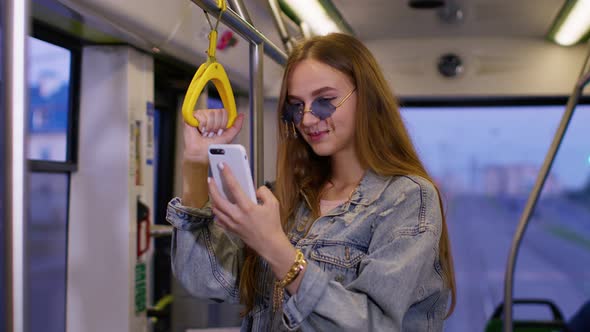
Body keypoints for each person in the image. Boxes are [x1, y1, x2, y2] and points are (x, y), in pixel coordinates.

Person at [167, 32, 456, 331]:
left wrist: (277, 249)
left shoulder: (407, 198)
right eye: (296, 106)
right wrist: (196, 165)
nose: (306, 119)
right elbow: (207, 281)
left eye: (324, 101)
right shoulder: (287, 197)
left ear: (366, 98)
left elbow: (372, 324)